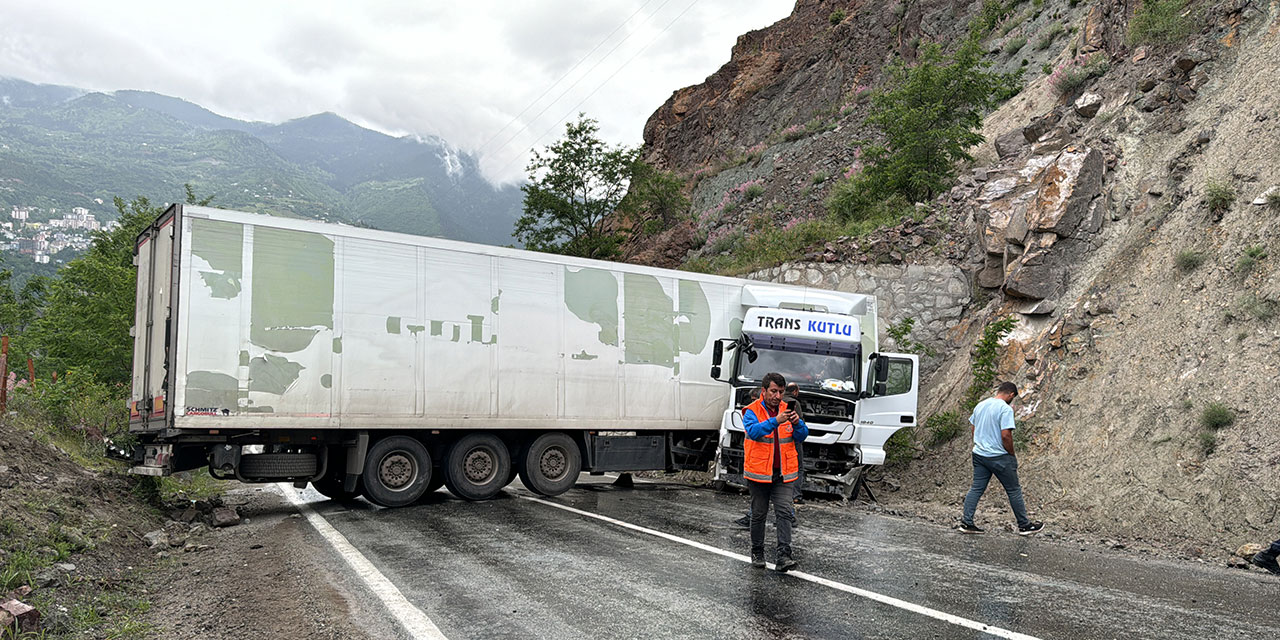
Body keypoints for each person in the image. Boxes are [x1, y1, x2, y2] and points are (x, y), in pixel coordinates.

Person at [958, 381, 1044, 536]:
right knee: (1013, 490)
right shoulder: (1005, 409)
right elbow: (1006, 435)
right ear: (1011, 394)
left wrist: (980, 443)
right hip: (999, 456)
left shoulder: (981, 405)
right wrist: (1011, 454)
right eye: (1013, 397)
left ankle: (966, 523)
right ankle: (1024, 526)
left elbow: (973, 427)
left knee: (976, 488)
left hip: (979, 454)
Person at [742, 372, 808, 571]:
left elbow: (802, 436)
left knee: (785, 513)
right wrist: (776, 421)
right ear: (764, 391)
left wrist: (797, 423)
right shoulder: (751, 410)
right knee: (759, 515)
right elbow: (753, 431)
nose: (778, 396)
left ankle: (784, 556)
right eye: (773, 391)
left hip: (783, 474)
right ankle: (757, 552)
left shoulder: (787, 410)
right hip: (759, 473)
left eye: (780, 391)